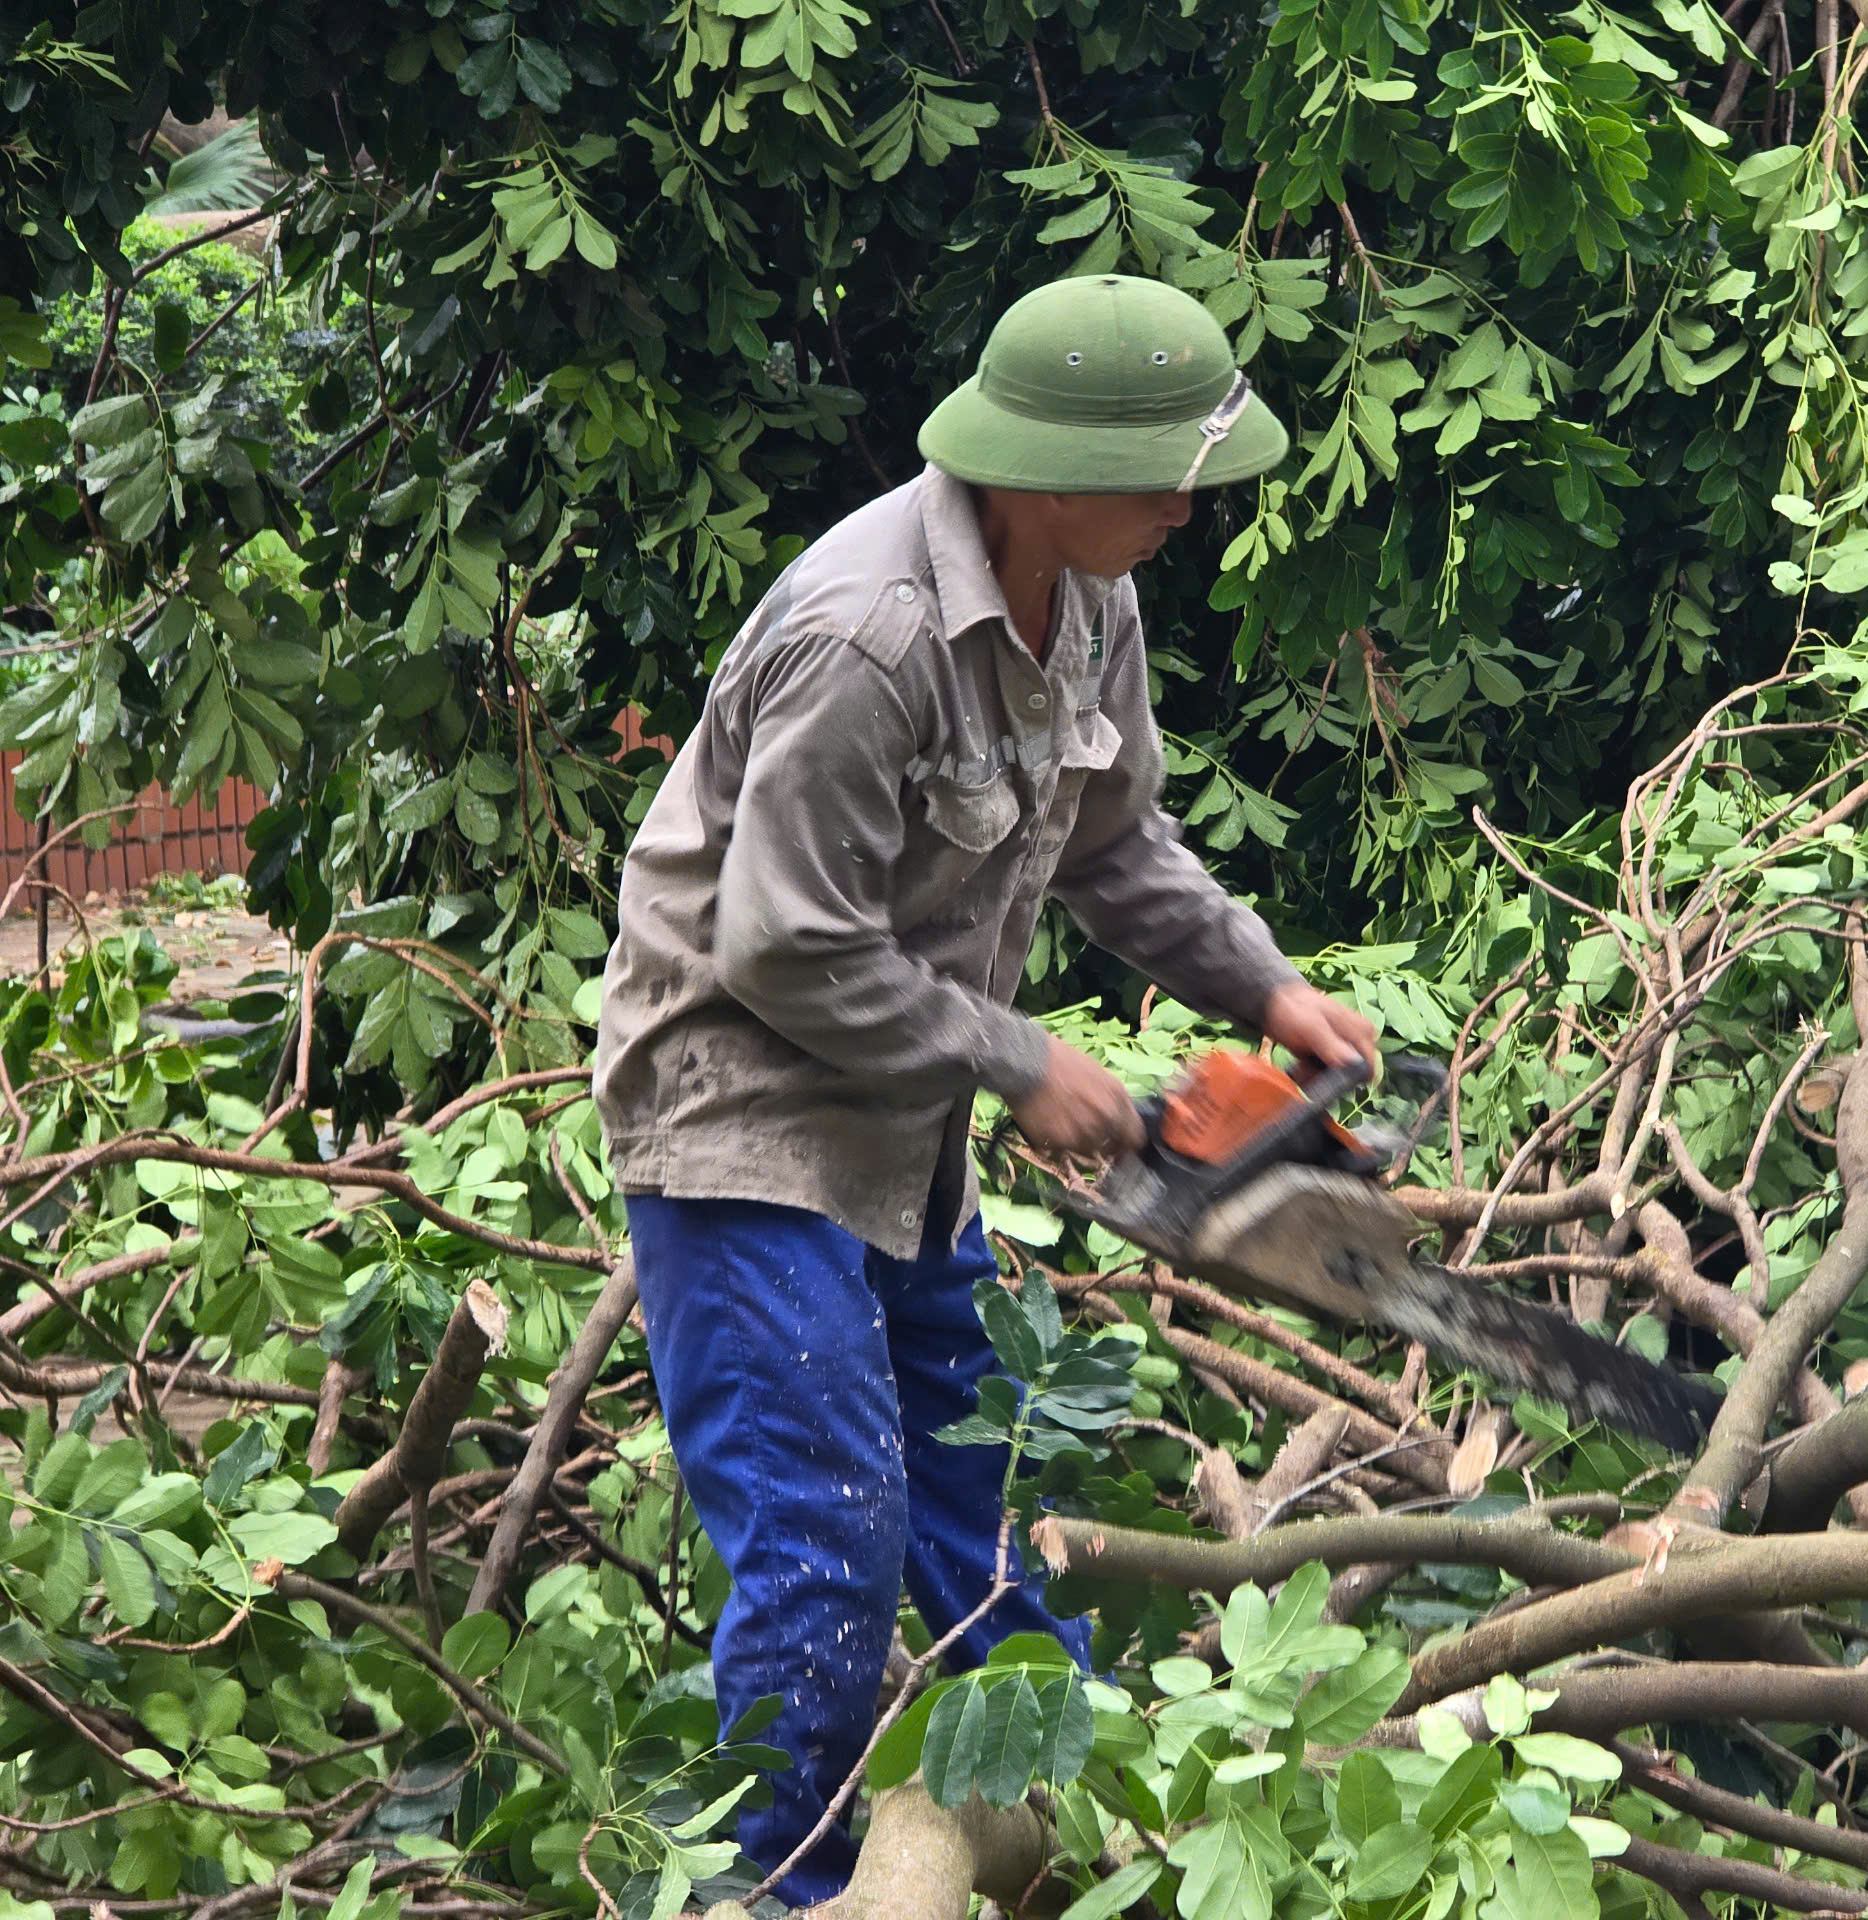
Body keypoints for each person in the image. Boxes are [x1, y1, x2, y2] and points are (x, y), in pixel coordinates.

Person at [593, 273, 1378, 1904]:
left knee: (990, 1489)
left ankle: (1056, 1828)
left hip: (900, 1129)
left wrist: (1266, 983)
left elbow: (1117, 843)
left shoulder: (1091, 600)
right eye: (1159, 469)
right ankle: (781, 1886)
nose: (1185, 501)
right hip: (742, 1122)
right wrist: (1023, 1061)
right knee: (827, 1547)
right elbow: (780, 943)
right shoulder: (866, 634)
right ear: (1036, 465)